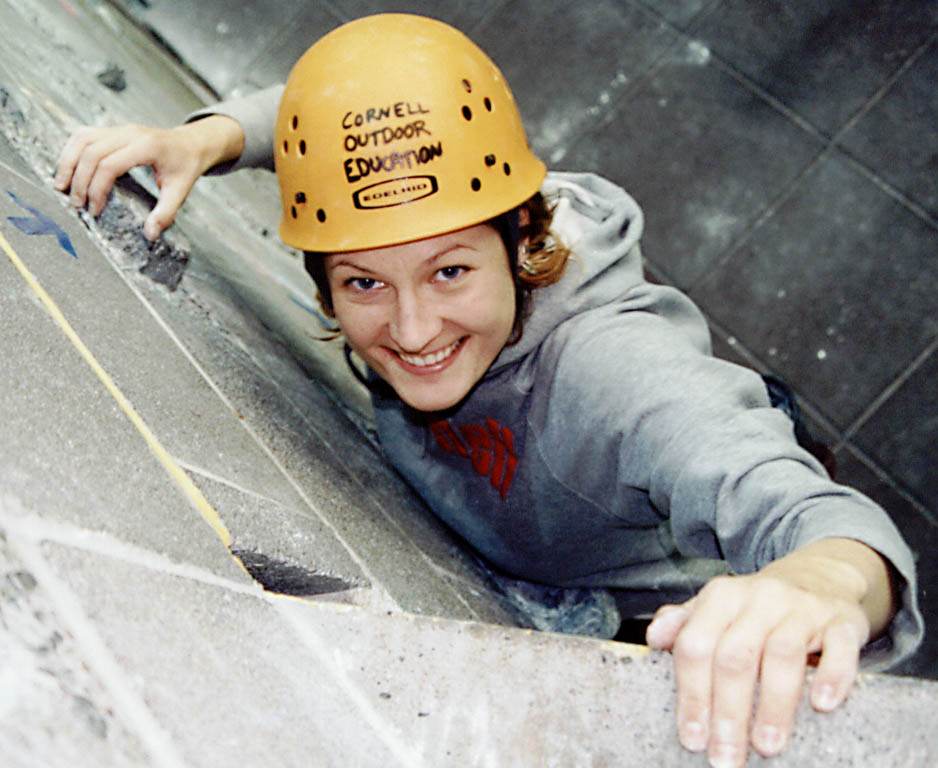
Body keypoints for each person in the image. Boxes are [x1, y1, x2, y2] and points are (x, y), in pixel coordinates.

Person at [55, 14, 922, 767]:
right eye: (362, 285)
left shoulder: (615, 377)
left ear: (519, 239)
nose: (415, 327)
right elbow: (322, 107)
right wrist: (203, 139)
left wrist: (814, 590)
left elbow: (828, 528)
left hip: (650, 603)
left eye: (451, 271)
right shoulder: (436, 194)